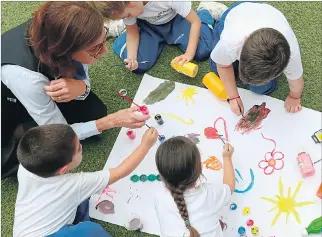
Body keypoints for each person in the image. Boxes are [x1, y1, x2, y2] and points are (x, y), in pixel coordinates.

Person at [1, 1, 150, 179]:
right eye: (95, 48)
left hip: (46, 84)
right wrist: (112, 121)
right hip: (12, 111)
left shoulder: (69, 31)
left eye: (103, 41)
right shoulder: (27, 78)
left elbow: (83, 71)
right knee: (58, 153)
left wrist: (82, 88)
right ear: (65, 52)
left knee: (95, 111)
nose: (104, 52)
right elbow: (61, 133)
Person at [13, 124, 158, 237]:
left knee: (82, 203)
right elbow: (120, 172)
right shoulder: (74, 184)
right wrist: (145, 145)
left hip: (26, 231)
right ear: (63, 169)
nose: (81, 147)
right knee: (89, 230)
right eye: (79, 149)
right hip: (52, 234)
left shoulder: (27, 167)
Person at [209, 2, 304, 116]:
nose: (242, 80)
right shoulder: (231, 41)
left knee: (261, 89)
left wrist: (294, 97)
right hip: (238, 12)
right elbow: (222, 66)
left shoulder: (290, 53)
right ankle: (215, 13)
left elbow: (296, 81)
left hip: (268, 16)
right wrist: (233, 97)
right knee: (215, 66)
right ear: (245, 40)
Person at [88, 1, 228, 73]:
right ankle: (119, 27)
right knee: (139, 66)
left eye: (128, 16)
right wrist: (132, 57)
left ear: (131, 3)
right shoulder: (129, 7)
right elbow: (132, 33)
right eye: (125, 18)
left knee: (202, 50)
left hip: (176, 19)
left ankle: (205, 10)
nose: (129, 17)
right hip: (149, 26)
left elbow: (194, 22)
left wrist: (189, 54)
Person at [154, 136, 235, 237]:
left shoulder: (160, 197)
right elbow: (229, 187)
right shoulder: (208, 194)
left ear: (162, 176)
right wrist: (227, 158)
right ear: (201, 168)